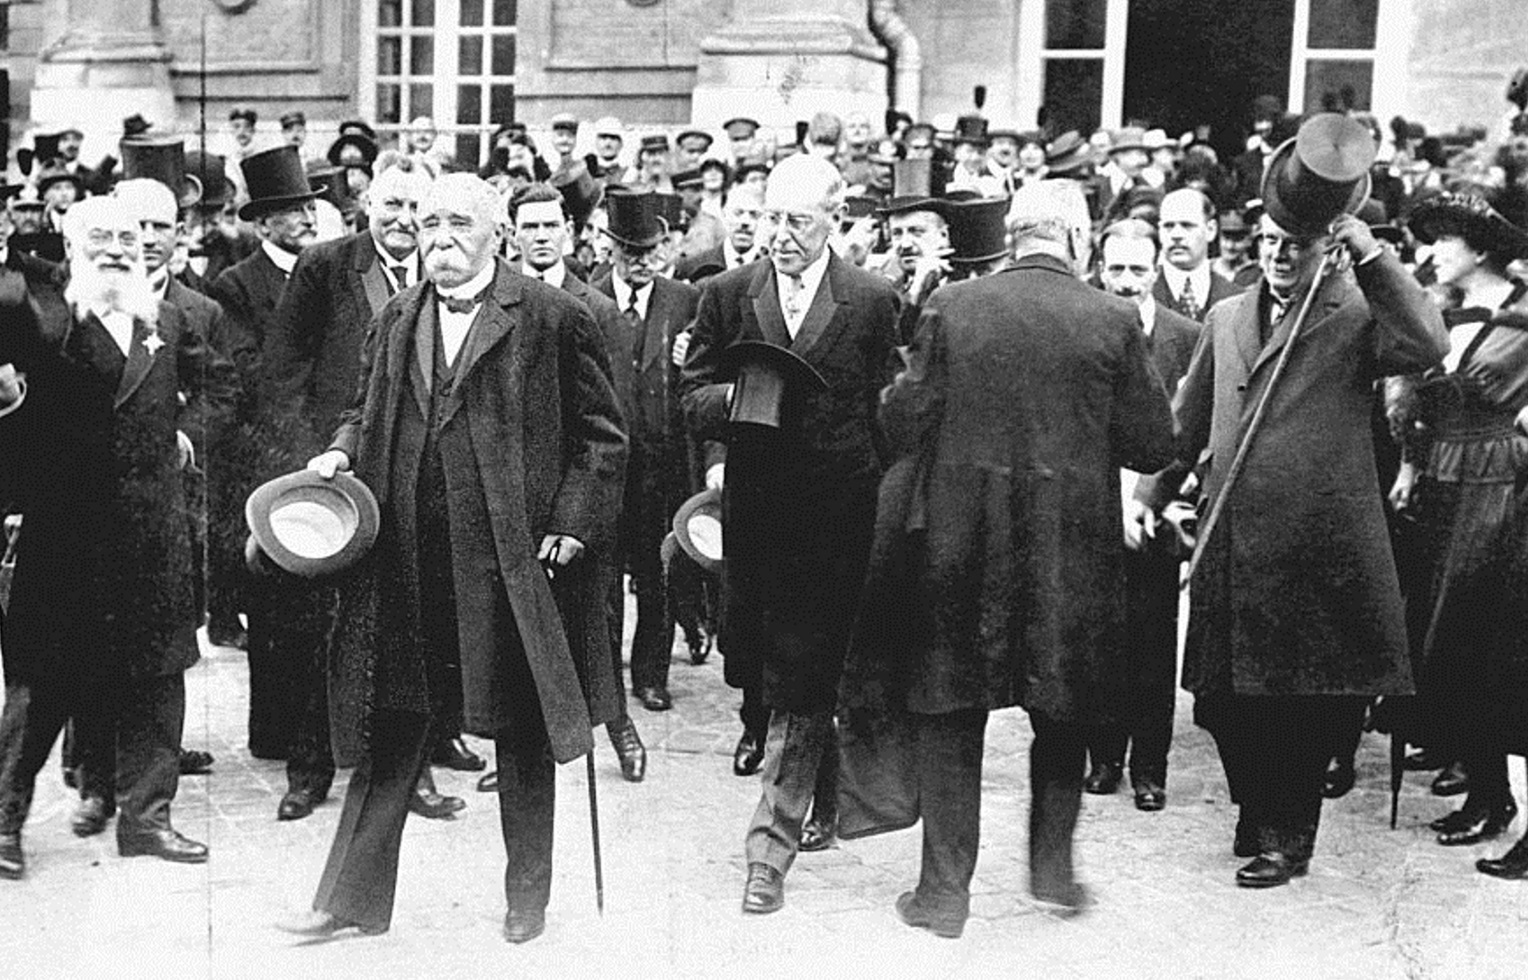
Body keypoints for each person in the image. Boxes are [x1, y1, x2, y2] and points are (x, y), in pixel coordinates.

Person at [276, 173, 626, 944]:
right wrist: (337, 455)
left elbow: (603, 436)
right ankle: (349, 900)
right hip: (407, 560)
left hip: (509, 564)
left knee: (523, 731)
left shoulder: (553, 317)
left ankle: (526, 898)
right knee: (392, 727)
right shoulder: (399, 316)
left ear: (495, 235)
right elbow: (361, 409)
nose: (438, 237)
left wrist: (572, 520)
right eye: (428, 222)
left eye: (458, 224)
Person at [840, 182, 1175, 937]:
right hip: (1071, 558)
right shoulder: (1115, 318)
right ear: (1080, 239)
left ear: (1014, 235)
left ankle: (944, 896)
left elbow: (902, 420)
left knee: (951, 717)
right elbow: (1154, 444)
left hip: (962, 549)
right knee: (1063, 715)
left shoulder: (955, 305)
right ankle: (1052, 874)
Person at [1149, 114, 1447, 889]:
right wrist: (1150, 496)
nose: (1279, 259)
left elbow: (1427, 343)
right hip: (1230, 545)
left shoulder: (1355, 319)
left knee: (1301, 707)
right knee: (1220, 704)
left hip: (1315, 553)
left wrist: (1373, 258)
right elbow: (1184, 426)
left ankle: (1287, 835)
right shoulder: (1224, 317)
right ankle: (1259, 806)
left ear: (1328, 250)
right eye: (1269, 246)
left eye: (1297, 247)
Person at [680, 153, 901, 914]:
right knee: (777, 676)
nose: (780, 234)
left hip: (842, 524)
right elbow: (689, 395)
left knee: (802, 686)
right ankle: (824, 803)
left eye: (797, 221)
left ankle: (767, 849)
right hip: (760, 523)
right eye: (771, 217)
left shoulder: (874, 302)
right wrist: (742, 400)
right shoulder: (726, 294)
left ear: (833, 221)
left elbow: (892, 413)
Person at [0, 195, 234, 878]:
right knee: (42, 688)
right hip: (65, 531)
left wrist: (190, 436)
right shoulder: (42, 322)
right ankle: (5, 823)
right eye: (97, 237)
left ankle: (147, 819)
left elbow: (222, 388)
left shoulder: (163, 321)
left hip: (151, 530)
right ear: (70, 248)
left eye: (126, 239)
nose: (115, 249)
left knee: (157, 680)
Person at [259, 162, 476, 821]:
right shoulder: (327, 266)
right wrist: (304, 467)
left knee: (416, 625)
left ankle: (416, 762)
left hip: (416, 482)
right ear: (366, 206)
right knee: (315, 629)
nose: (405, 218)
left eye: (418, 205)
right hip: (333, 475)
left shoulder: (447, 271)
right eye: (392, 204)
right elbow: (283, 372)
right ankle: (310, 767)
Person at [1386, 188, 1528, 853]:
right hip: (1443, 477)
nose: (1431, 252)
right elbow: (1416, 407)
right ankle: (1483, 789)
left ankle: (1490, 795)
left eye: (1444, 241)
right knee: (1442, 636)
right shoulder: (1434, 314)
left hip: (1499, 481)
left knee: (1481, 638)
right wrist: (1411, 467)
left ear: (1480, 249)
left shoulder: (1523, 314)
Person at [504, 180, 648, 784]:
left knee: (594, 621)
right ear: (511, 234)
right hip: (516, 495)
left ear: (569, 232)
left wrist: (587, 509)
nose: (539, 237)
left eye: (549, 226)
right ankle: (527, 745)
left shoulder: (595, 308)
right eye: (528, 227)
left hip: (584, 495)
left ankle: (619, 730)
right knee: (524, 627)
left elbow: (615, 419)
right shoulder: (498, 302)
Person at [1085, 218, 1202, 811]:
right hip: (1094, 509)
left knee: (1154, 640)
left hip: (1159, 512)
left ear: (1155, 270)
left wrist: (1153, 499)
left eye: (1137, 269)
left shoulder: (1187, 337)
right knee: (1098, 638)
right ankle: (1103, 757)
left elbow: (1194, 432)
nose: (1127, 281)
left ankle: (1149, 768)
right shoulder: (1084, 328)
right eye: (1116, 269)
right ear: (1101, 268)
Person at [594, 188, 703, 713]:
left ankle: (651, 674)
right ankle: (603, 676)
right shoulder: (586, 299)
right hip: (604, 466)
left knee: (659, 573)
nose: (641, 262)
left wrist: (689, 358)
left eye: (651, 251)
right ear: (609, 248)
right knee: (603, 577)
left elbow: (705, 373)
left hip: (662, 464)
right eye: (630, 251)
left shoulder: (684, 300)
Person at [1155, 188, 1240, 321]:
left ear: (1211, 230)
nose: (1176, 235)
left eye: (1187, 225)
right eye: (1168, 226)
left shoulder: (1237, 299)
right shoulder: (1142, 295)